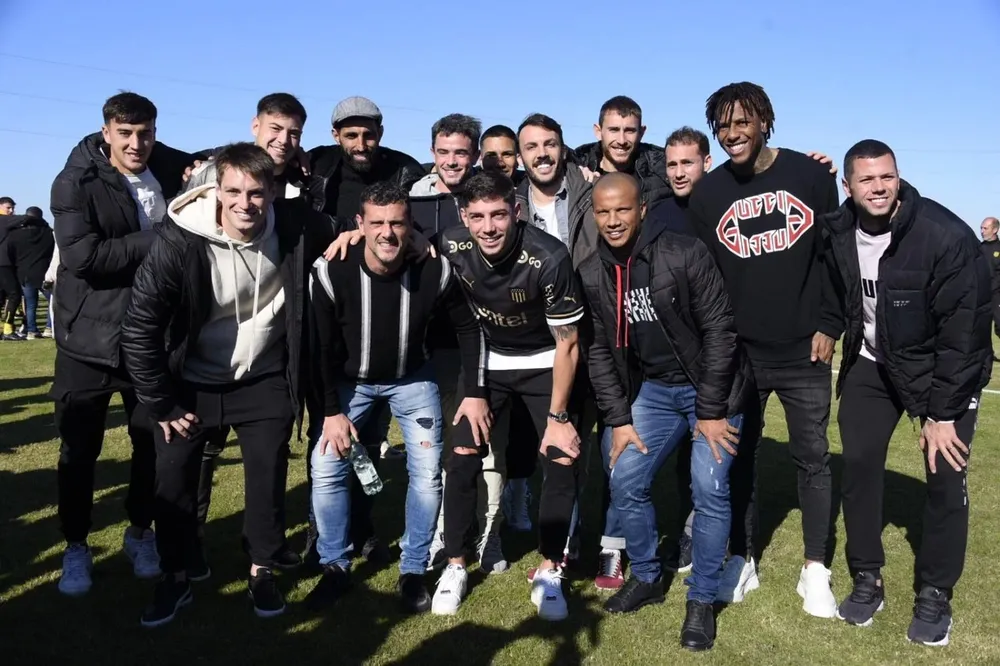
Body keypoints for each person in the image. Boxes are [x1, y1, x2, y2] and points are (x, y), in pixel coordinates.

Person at [121, 142, 337, 626]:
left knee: (267, 474)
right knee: (173, 480)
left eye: (257, 193)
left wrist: (352, 237)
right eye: (234, 191)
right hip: (190, 380)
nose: (245, 203)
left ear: (274, 193)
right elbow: (140, 326)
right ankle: (175, 576)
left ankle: (262, 568)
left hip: (261, 376)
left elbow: (350, 231)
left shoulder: (298, 225)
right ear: (217, 191)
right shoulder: (178, 239)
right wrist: (161, 403)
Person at [685, 81, 844, 617]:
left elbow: (833, 257)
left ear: (766, 120)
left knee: (813, 457)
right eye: (723, 126)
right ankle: (741, 555)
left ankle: (815, 566)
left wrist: (829, 322)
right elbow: (703, 278)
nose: (733, 134)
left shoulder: (811, 174)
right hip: (740, 353)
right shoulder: (707, 193)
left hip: (805, 349)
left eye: (742, 122)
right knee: (738, 455)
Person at [825, 140, 991, 646]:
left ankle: (935, 592)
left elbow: (964, 336)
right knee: (858, 465)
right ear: (847, 186)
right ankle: (867, 576)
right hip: (874, 365)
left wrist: (941, 414)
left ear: (899, 177)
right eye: (866, 179)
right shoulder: (837, 230)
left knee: (944, 475)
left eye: (887, 177)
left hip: (942, 370)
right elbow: (830, 288)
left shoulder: (944, 236)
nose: (878, 187)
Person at [579, 173, 755, 650]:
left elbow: (720, 331)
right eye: (603, 212)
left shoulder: (683, 252)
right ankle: (650, 576)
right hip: (653, 392)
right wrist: (618, 419)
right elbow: (597, 351)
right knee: (624, 476)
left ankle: (700, 599)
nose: (613, 221)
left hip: (712, 393)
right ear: (594, 215)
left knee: (709, 486)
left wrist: (712, 410)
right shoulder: (593, 271)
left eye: (622, 210)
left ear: (641, 211)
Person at [307, 180, 489, 613]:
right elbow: (317, 349)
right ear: (359, 224)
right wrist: (331, 412)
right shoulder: (331, 269)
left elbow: (468, 326)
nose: (387, 232)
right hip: (352, 382)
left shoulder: (434, 268)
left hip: (412, 378)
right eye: (377, 223)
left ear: (411, 226)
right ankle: (335, 564)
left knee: (426, 471)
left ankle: (412, 569)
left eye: (397, 223)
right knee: (326, 465)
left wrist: (477, 391)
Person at [49, 91, 193, 597]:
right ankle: (75, 546)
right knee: (79, 451)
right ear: (106, 131)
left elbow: (220, 163)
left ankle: (140, 533)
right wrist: (161, 238)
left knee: (152, 446)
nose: (137, 144)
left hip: (149, 340)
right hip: (86, 341)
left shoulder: (170, 164)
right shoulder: (74, 181)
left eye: (146, 133)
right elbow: (84, 258)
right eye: (126, 134)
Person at [430, 171, 586, 621]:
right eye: (477, 217)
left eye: (499, 214)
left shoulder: (549, 256)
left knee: (560, 458)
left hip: (544, 360)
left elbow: (568, 343)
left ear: (516, 211)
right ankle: (457, 563)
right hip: (486, 361)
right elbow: (402, 247)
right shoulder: (451, 242)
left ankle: (551, 566)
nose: (489, 227)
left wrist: (558, 416)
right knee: (461, 456)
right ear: (464, 217)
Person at [185, 93, 326, 575]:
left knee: (269, 455)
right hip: (206, 346)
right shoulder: (211, 175)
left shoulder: (305, 181)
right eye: (275, 129)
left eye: (293, 133)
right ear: (254, 125)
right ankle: (191, 543)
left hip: (269, 348)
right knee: (199, 454)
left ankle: (263, 549)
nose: (283, 141)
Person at [307, 96, 427, 559]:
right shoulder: (316, 166)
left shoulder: (405, 170)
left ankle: (362, 526)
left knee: (371, 441)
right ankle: (324, 531)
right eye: (351, 135)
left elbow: (424, 217)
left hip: (387, 315)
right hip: (331, 309)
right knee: (329, 437)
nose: (361, 143)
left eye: (369, 134)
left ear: (381, 131)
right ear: (336, 135)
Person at [571, 96, 671, 206]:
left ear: (641, 133)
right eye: (614, 130)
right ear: (598, 131)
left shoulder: (661, 168)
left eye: (630, 131)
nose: (621, 140)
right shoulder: (577, 168)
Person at [6, 206, 55, 339]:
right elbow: (52, 251)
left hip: (24, 273)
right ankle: (49, 327)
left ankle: (31, 330)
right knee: (53, 301)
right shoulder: (47, 233)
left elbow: (11, 253)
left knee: (30, 304)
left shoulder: (15, 235)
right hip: (44, 272)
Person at [979, 216, 1000, 351]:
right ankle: (987, 355)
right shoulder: (977, 249)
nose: (982, 231)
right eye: (981, 228)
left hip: (997, 295)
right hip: (981, 295)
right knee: (981, 328)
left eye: (985, 228)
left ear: (995, 230)